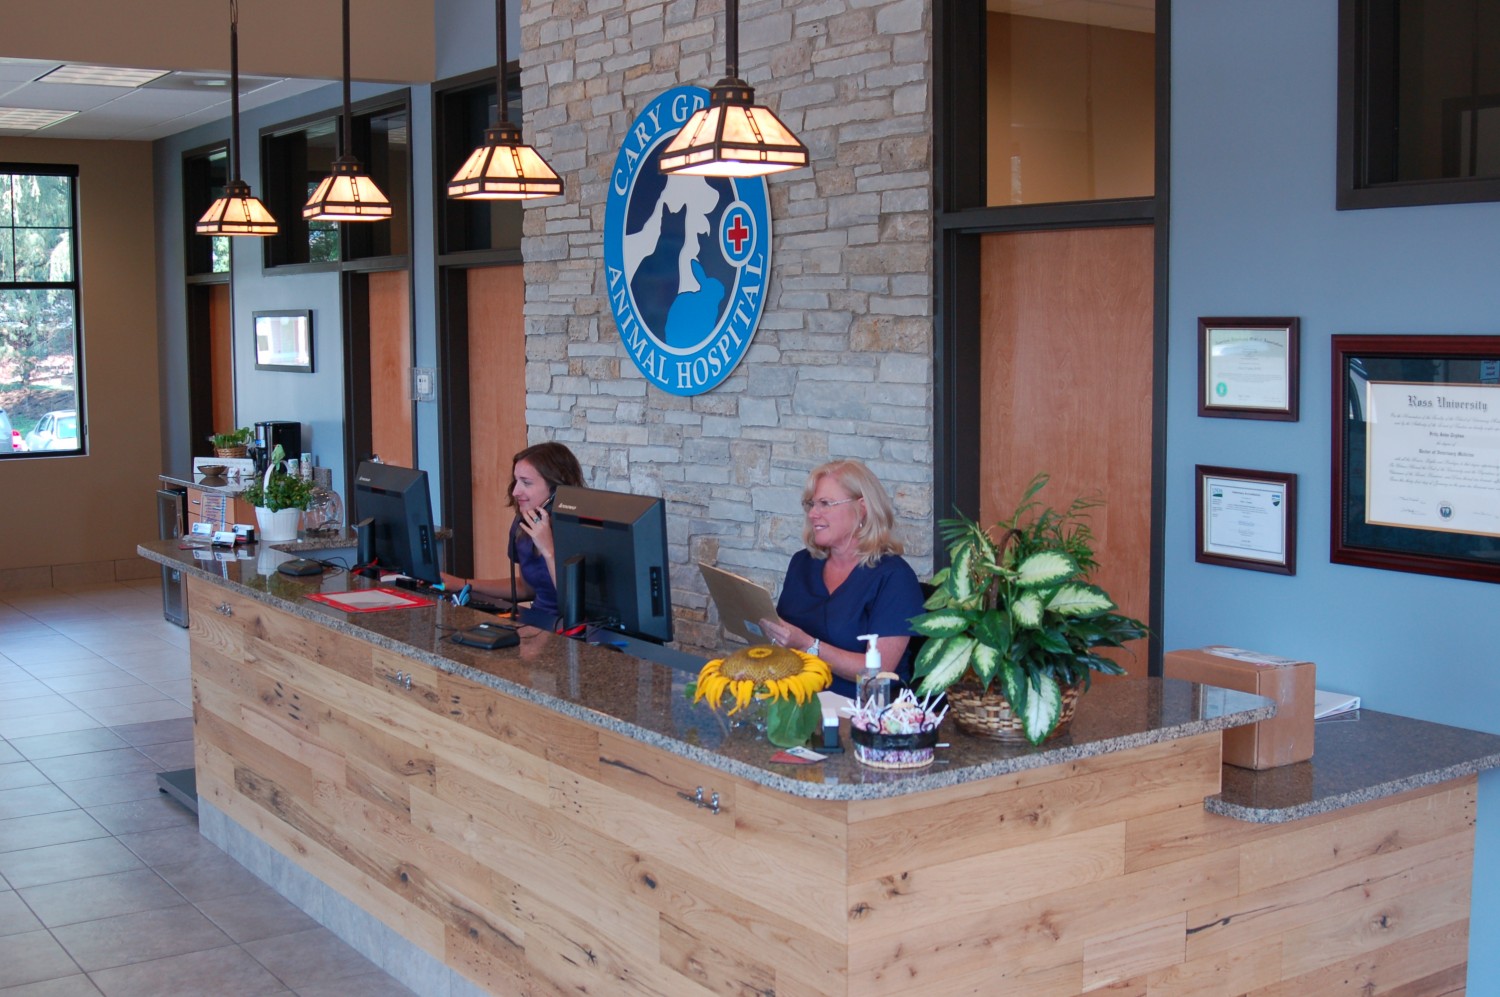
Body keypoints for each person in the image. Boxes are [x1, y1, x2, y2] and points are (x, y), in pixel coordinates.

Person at [758, 460, 926, 699]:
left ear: (862, 508)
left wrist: (808, 645)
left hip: (863, 712)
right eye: (811, 504)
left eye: (826, 503)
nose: (813, 513)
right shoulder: (802, 563)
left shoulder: (894, 577)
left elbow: (878, 671)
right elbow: (785, 637)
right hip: (796, 699)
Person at [448, 441, 584, 619]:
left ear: (557, 489)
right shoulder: (524, 525)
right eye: (516, 481)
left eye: (526, 483)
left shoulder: (581, 531)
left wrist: (548, 550)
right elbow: (526, 589)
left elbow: (578, 605)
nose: (515, 491)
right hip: (538, 623)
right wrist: (463, 584)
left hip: (574, 632)